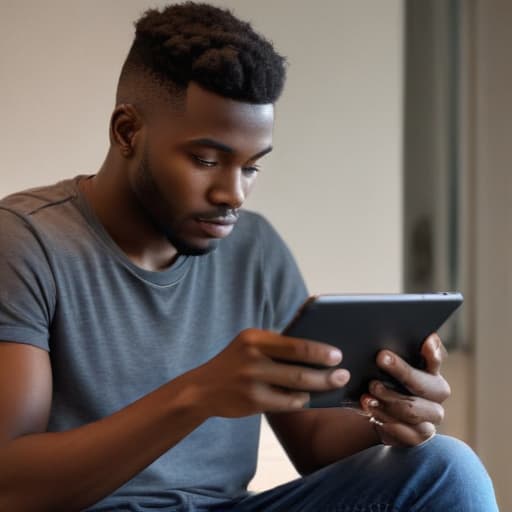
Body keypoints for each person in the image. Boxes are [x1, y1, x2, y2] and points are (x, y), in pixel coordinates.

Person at [0, 2, 498, 511]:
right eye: (207, 160)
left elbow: (316, 445)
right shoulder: (24, 242)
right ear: (127, 133)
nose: (233, 194)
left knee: (446, 468)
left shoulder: (255, 249)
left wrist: (387, 420)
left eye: (252, 166)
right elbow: (11, 485)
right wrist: (197, 395)